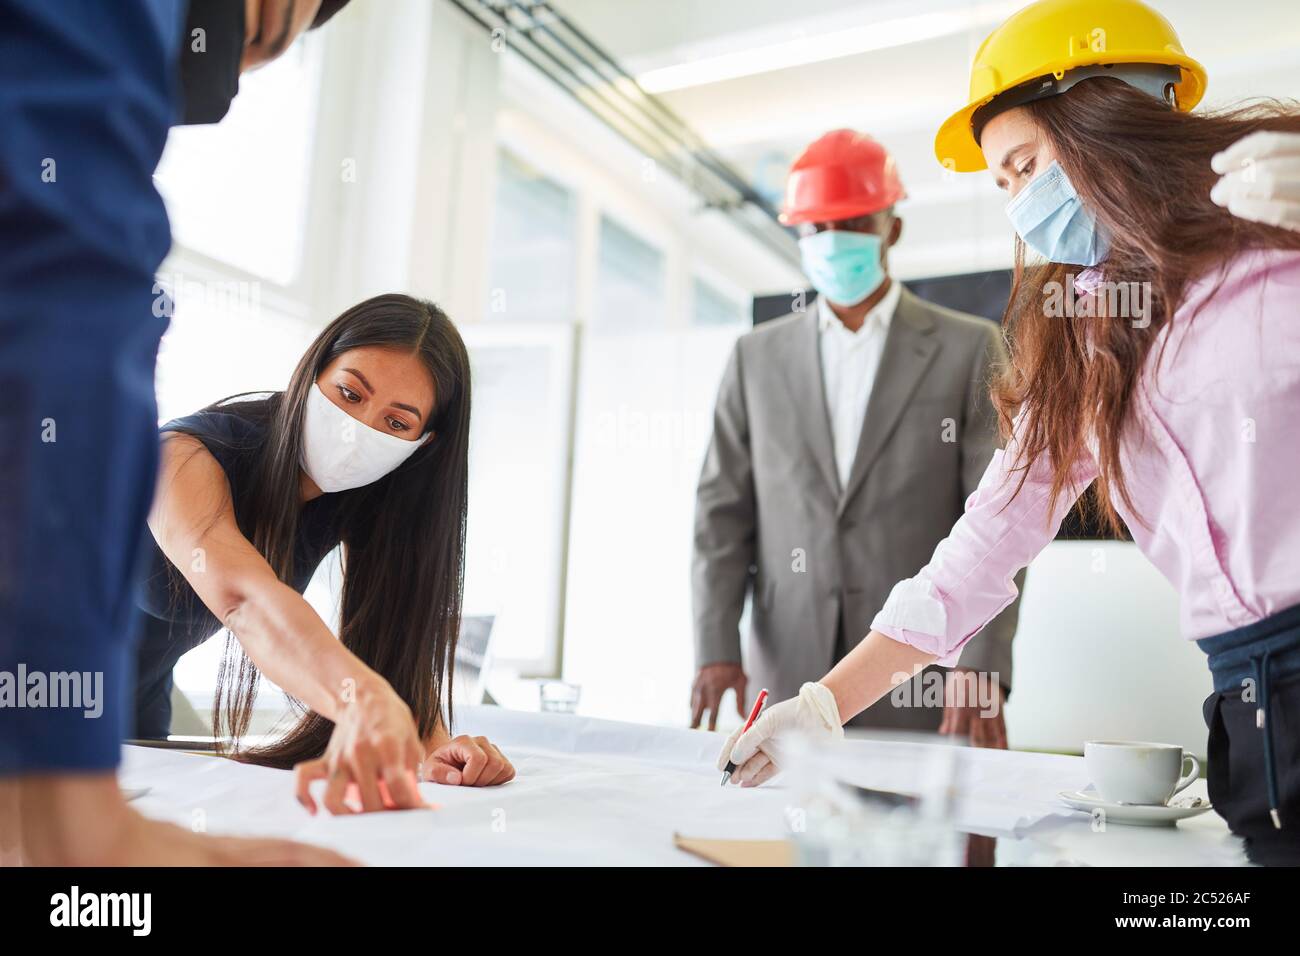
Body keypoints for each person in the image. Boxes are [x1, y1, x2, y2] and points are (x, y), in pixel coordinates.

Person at [717, 0, 1300, 864]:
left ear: (1111, 108)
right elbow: (984, 546)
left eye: (1026, 165)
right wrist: (828, 702)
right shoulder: (1089, 337)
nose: (1022, 205)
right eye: (1004, 185)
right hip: (1248, 696)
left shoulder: (1277, 235)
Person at [0, 0, 357, 866]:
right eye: (269, 34)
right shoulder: (205, 449)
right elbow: (60, 260)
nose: (237, 68)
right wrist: (59, 823)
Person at [690, 130, 1019, 745]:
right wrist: (715, 647)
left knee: (917, 837)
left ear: (891, 228)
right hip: (785, 664)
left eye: (853, 222)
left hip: (920, 672)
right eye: (816, 227)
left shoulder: (969, 347)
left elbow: (999, 517)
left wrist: (981, 666)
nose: (833, 242)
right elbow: (721, 515)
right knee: (778, 838)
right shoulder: (754, 359)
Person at [134, 294, 515, 811]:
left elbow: (392, 637)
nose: (359, 429)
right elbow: (243, 601)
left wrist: (439, 745)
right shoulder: (185, 456)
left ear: (423, 444)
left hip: (136, 708)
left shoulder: (366, 501)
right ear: (312, 371)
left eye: (396, 423)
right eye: (350, 393)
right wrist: (360, 698)